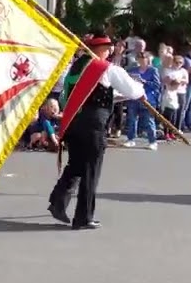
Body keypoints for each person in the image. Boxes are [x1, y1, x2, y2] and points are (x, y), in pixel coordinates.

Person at [48, 34, 144, 230]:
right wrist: (140, 91)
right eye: (107, 48)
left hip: (74, 121)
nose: (110, 52)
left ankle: (58, 200)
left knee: (76, 165)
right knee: (91, 170)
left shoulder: (76, 67)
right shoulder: (105, 68)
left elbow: (92, 93)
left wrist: (115, 97)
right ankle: (83, 217)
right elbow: (132, 90)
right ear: (99, 49)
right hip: (93, 125)